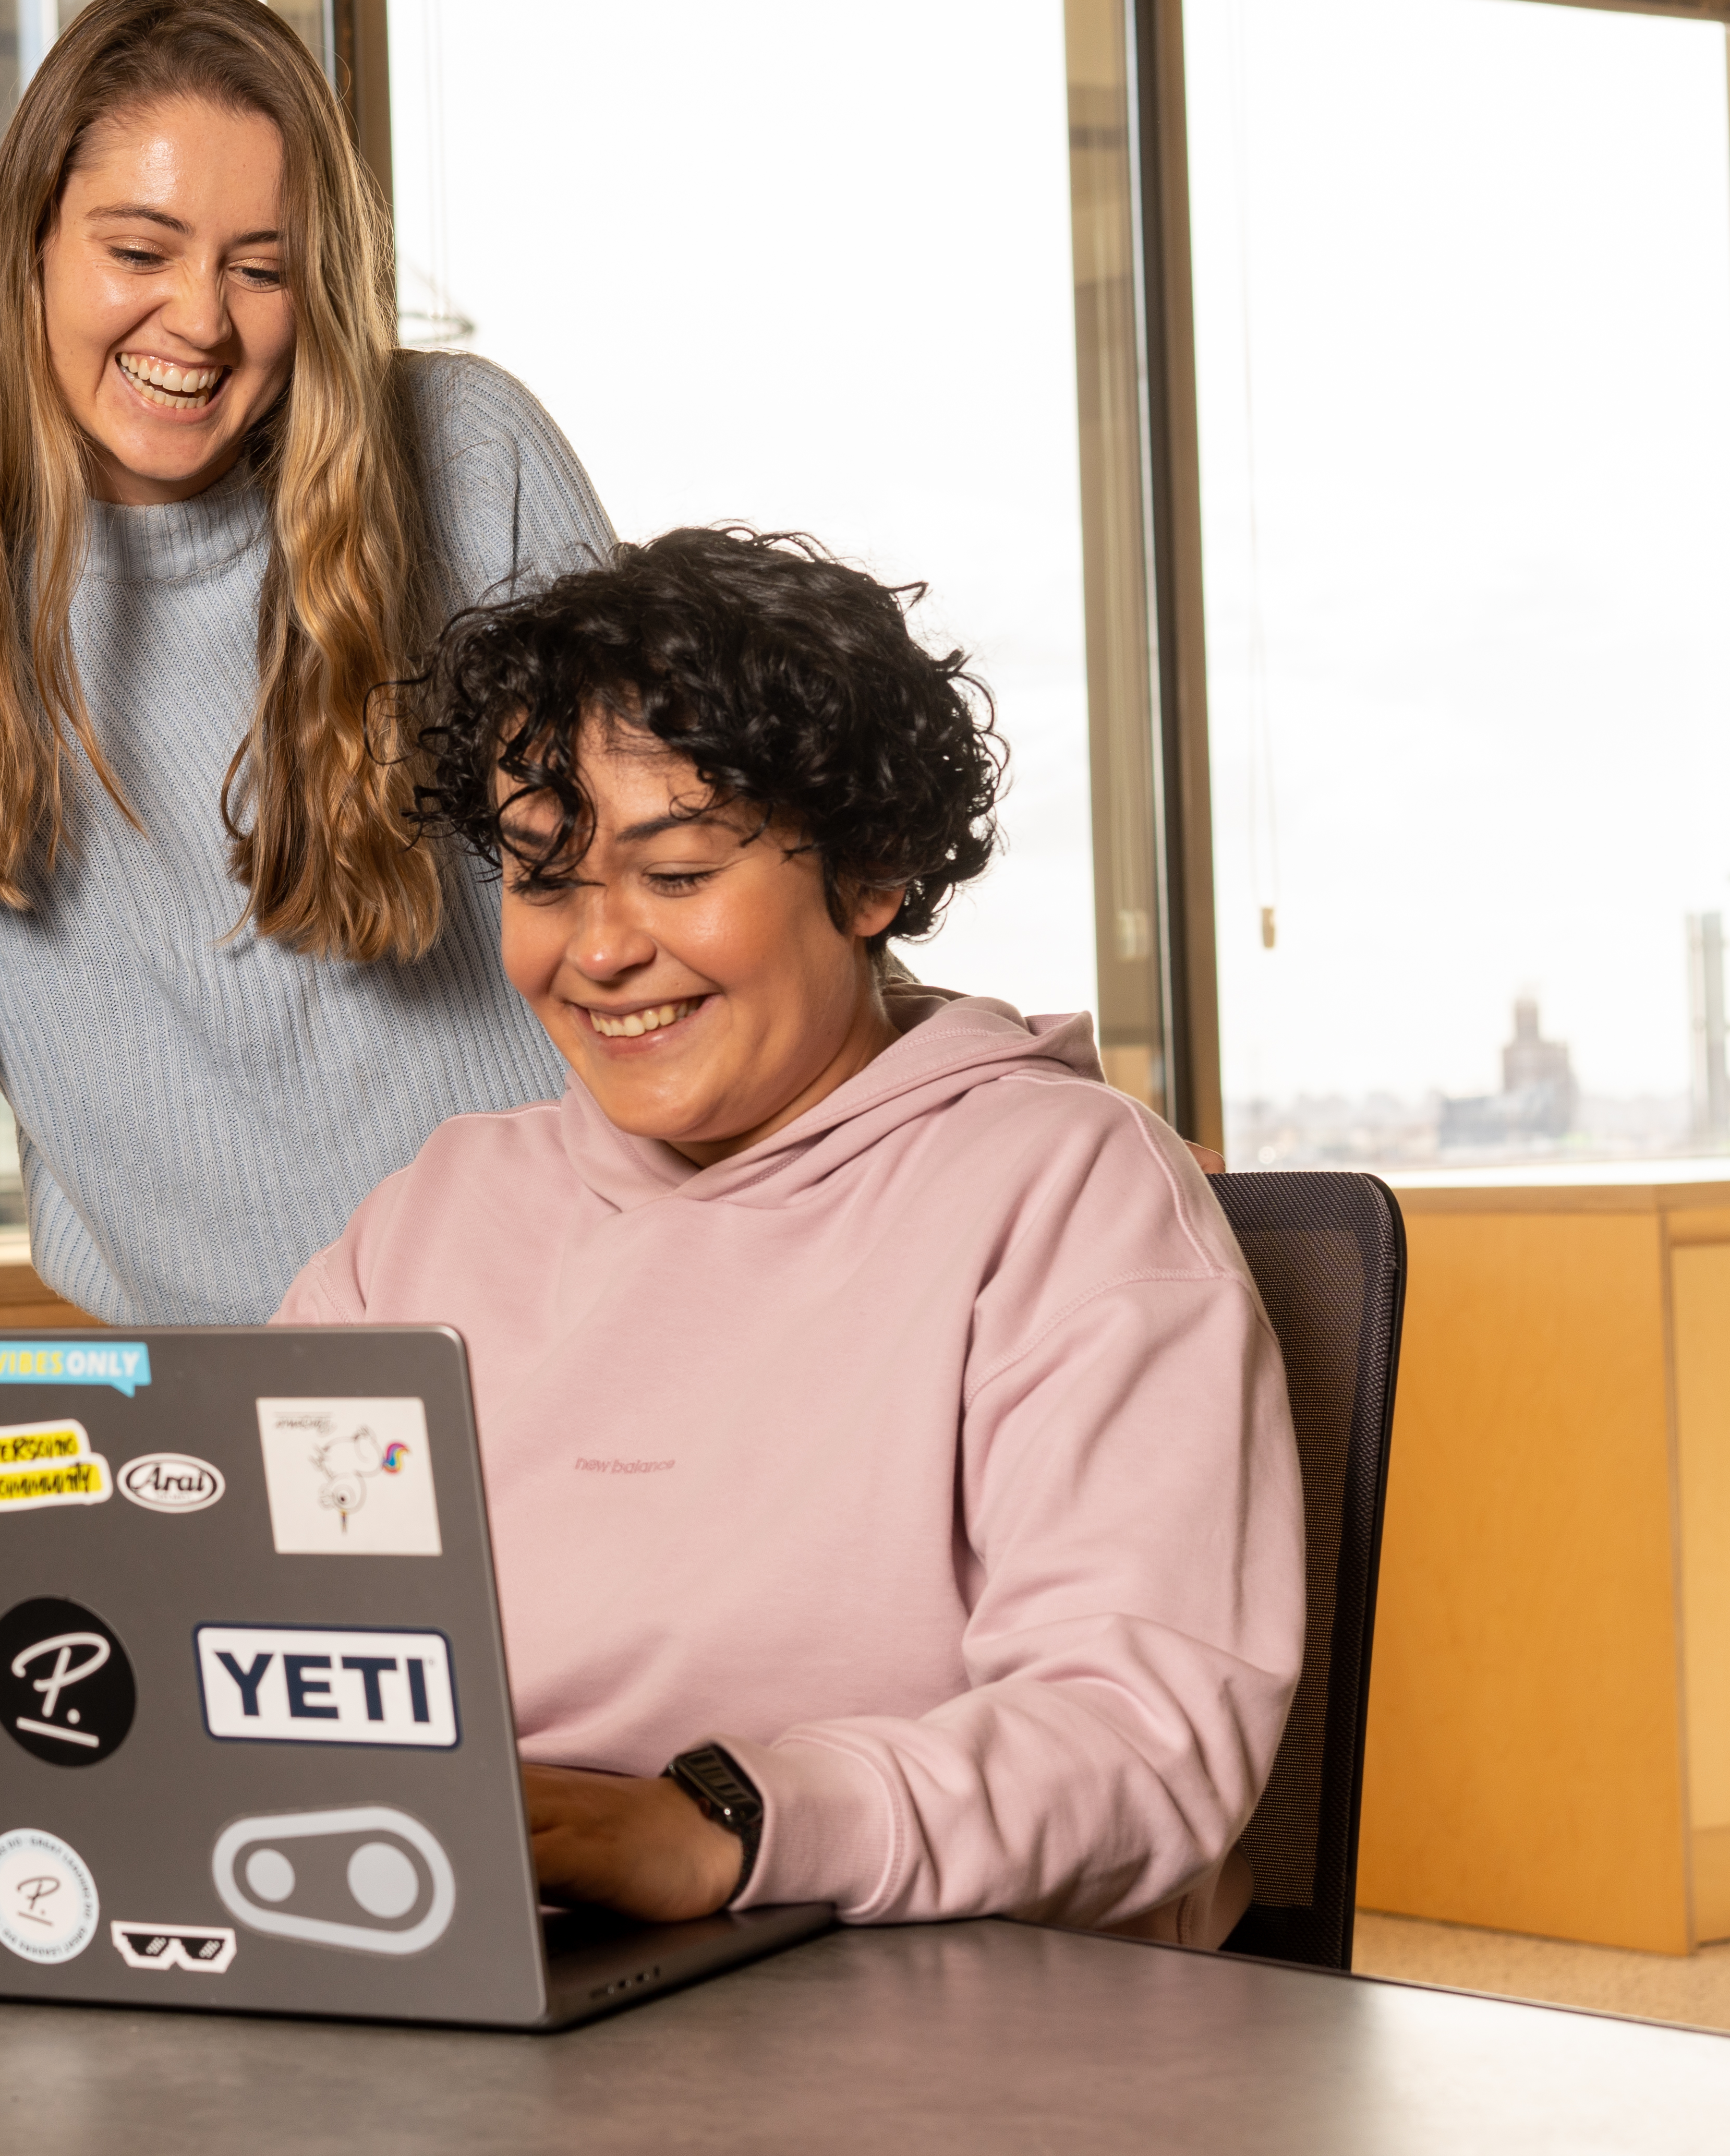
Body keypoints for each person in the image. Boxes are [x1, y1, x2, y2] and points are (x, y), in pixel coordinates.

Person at [277, 528, 1302, 1941]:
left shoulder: (1061, 1193)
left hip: (920, 1995)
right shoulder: (435, 1215)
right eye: (542, 877)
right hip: (472, 1945)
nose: (599, 950)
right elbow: (258, 1614)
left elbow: (1139, 1735)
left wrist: (721, 1824)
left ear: (873, 876)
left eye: (678, 873)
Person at [0, 0, 609, 1333]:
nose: (201, 321)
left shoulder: (470, 458)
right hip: (256, 1443)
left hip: (607, 1337)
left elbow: (675, 918)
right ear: (32, 248)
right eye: (140, 249)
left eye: (260, 267)